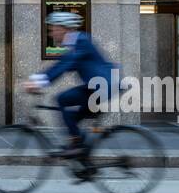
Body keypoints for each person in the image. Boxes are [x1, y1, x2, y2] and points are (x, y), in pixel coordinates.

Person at [26, 11, 117, 157]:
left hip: (102, 87)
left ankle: (77, 144)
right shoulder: (76, 43)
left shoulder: (81, 41)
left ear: (64, 29)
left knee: (63, 99)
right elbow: (61, 65)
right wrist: (38, 79)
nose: (51, 34)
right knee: (71, 117)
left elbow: (64, 65)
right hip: (99, 88)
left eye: (53, 29)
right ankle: (81, 152)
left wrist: (38, 82)